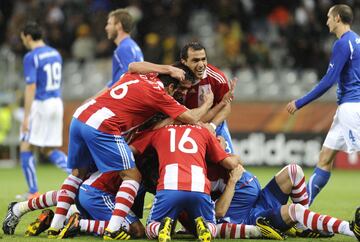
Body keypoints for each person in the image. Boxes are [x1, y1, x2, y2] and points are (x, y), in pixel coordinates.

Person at [45, 65, 214, 239]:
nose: (180, 95)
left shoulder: (140, 75)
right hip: (103, 125)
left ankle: (56, 225)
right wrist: (208, 102)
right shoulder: (160, 94)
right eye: (179, 90)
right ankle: (113, 229)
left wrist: (169, 69)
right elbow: (191, 118)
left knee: (77, 174)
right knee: (133, 176)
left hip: (81, 115)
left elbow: (132, 65)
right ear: (170, 87)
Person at [286, 4, 360, 205]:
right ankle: (301, 211)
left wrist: (300, 103)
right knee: (325, 158)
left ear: (337, 18)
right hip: (348, 106)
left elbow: (329, 80)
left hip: (351, 108)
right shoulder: (357, 41)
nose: (326, 21)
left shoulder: (343, 43)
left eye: (328, 17)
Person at [130, 123, 241, 241]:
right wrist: (237, 158)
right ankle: (205, 227)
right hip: (199, 186)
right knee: (212, 226)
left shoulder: (160, 131)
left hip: (169, 185)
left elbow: (131, 149)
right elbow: (230, 163)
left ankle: (161, 228)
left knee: (150, 229)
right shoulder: (203, 131)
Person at [209, 162, 360, 241]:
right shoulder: (197, 177)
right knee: (296, 210)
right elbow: (217, 216)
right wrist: (233, 180)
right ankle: (350, 229)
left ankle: (302, 226)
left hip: (259, 200)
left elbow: (233, 159)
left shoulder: (214, 149)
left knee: (294, 170)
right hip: (251, 219)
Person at [2, 171, 144, 239]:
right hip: (98, 193)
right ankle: (77, 223)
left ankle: (61, 218)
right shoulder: (140, 141)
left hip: (89, 186)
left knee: (69, 192)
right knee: (136, 230)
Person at [18, 22, 68, 200]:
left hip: (41, 104)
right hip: (56, 102)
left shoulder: (31, 56)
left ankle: (32, 191)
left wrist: (25, 117)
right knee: (48, 149)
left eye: (23, 37)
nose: (22, 40)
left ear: (28, 37)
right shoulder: (55, 53)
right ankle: (80, 178)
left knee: (25, 144)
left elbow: (31, 86)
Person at [180, 42, 234, 153]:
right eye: (195, 60)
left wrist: (212, 126)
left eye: (203, 59)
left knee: (230, 165)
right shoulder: (174, 78)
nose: (201, 64)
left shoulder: (217, 78)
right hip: (183, 126)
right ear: (183, 62)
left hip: (213, 124)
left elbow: (226, 106)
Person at [105, 8, 143, 88]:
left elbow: (131, 79)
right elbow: (115, 81)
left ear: (118, 25)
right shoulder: (132, 45)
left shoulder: (123, 48)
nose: (106, 27)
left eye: (109, 24)